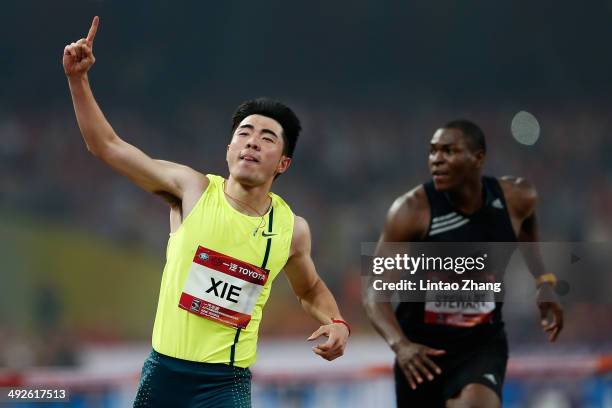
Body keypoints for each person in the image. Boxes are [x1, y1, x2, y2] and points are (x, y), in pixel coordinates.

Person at [63, 16, 350, 408]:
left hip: (224, 385)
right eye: (243, 134)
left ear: (283, 163)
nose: (251, 143)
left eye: (266, 138)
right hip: (163, 376)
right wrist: (78, 81)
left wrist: (335, 321)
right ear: (229, 148)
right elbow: (107, 146)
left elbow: (310, 288)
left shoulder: (291, 229)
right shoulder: (191, 189)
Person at [363, 120, 563, 407]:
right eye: (432, 152)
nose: (437, 160)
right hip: (421, 351)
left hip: (480, 343)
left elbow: (528, 223)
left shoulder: (517, 198)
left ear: (478, 158)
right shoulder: (411, 211)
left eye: (449, 151)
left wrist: (543, 282)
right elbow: (374, 293)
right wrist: (401, 346)